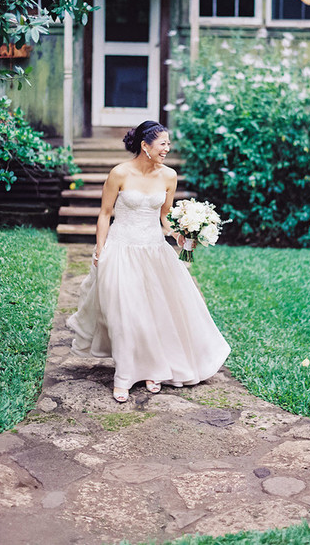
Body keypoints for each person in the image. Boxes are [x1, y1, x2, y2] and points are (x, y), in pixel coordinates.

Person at [67, 120, 231, 403]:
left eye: (169, 143)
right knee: (125, 313)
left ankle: (153, 370)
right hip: (121, 247)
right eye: (163, 143)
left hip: (154, 249)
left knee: (153, 313)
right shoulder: (119, 173)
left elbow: (164, 216)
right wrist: (100, 249)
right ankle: (124, 376)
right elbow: (105, 213)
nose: (168, 148)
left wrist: (182, 235)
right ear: (145, 145)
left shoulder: (169, 176)